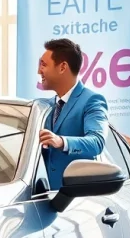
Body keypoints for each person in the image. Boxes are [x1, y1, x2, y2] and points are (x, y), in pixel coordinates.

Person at [37, 38, 110, 190]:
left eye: (43, 65)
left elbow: (97, 142)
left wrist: (61, 141)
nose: (39, 71)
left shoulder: (92, 100)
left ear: (62, 67)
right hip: (43, 201)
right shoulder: (43, 106)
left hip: (77, 201)